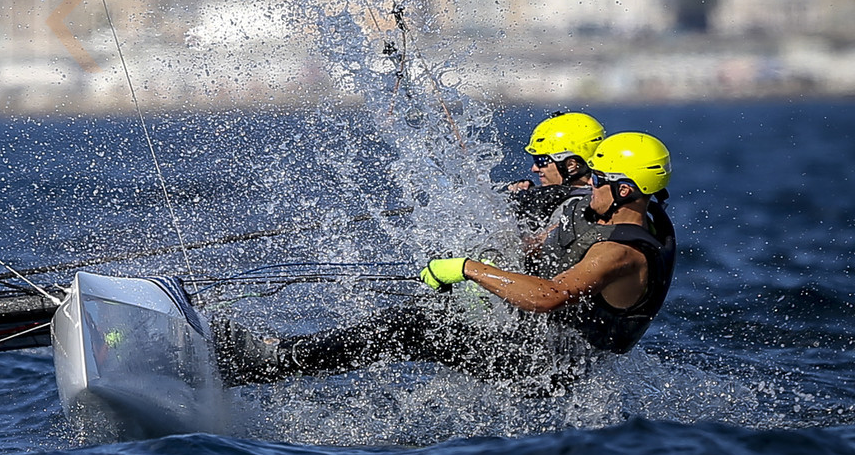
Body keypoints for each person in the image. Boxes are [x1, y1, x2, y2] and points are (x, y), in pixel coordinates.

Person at [215, 131, 677, 385]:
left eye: (599, 179)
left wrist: (471, 269)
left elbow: (550, 296)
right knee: (428, 312)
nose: (590, 185)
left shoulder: (620, 252)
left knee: (412, 328)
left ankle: (265, 364)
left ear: (624, 189)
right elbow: (549, 246)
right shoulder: (642, 217)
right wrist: (495, 246)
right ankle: (287, 350)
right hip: (553, 350)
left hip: (551, 368)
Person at [505, 111, 603, 227]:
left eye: (541, 160)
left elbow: (531, 244)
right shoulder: (601, 197)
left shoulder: (582, 209)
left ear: (571, 165)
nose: (534, 168)